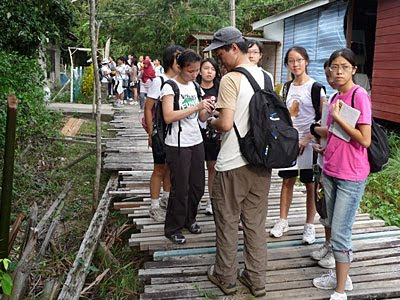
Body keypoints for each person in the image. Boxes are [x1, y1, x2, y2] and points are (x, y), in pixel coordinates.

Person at [205, 27, 272, 298]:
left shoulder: (231, 79)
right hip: (261, 163)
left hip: (232, 163)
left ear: (234, 48)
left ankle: (226, 277)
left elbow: (225, 123)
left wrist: (209, 119)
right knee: (255, 224)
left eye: (220, 53)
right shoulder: (266, 77)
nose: (218, 59)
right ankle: (256, 281)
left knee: (228, 222)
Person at [312, 48, 372, 300]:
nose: (337, 72)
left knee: (340, 231)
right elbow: (338, 133)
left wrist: (337, 117)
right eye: (334, 67)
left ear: (354, 70)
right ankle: (341, 278)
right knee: (330, 223)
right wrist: (324, 144)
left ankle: (340, 291)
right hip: (331, 169)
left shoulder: (359, 96)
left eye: (344, 67)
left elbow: (364, 140)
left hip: (351, 174)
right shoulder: (336, 95)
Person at [270, 46, 326, 245]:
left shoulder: (317, 88)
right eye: (291, 61)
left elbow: (323, 119)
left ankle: (309, 225)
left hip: (309, 144)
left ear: (307, 61)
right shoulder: (285, 88)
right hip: (289, 143)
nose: (296, 64)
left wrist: (308, 138)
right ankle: (282, 220)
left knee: (311, 185)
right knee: (287, 181)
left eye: (299, 60)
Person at [161, 49, 214, 244]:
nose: (194, 74)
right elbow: (168, 116)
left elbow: (200, 118)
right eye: (190, 71)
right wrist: (196, 107)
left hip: (196, 140)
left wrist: (208, 111)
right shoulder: (170, 87)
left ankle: (189, 219)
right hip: (177, 144)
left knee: (198, 186)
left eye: (197, 71)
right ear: (180, 68)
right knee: (180, 188)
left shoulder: (195, 87)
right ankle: (173, 227)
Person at [145, 45, 184, 222]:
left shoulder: (181, 82)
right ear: (170, 60)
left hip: (175, 134)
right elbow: (148, 107)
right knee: (159, 168)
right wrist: (150, 132)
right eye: (178, 58)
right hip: (160, 132)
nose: (181, 62)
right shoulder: (159, 81)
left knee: (170, 167)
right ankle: (154, 205)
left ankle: (166, 198)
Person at [309, 60, 337, 269]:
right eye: (328, 75)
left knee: (336, 211)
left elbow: (333, 130)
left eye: (334, 73)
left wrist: (314, 129)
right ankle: (328, 243)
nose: (331, 78)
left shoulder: (349, 99)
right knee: (324, 207)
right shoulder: (332, 98)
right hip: (324, 160)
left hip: (339, 166)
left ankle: (336, 250)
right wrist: (319, 139)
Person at [196, 58, 221, 215]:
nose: (209, 71)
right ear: (200, 70)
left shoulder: (221, 88)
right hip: (196, 133)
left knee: (212, 167)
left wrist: (214, 112)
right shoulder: (194, 88)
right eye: (206, 68)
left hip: (215, 134)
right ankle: (195, 199)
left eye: (212, 69)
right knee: (197, 168)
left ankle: (212, 200)